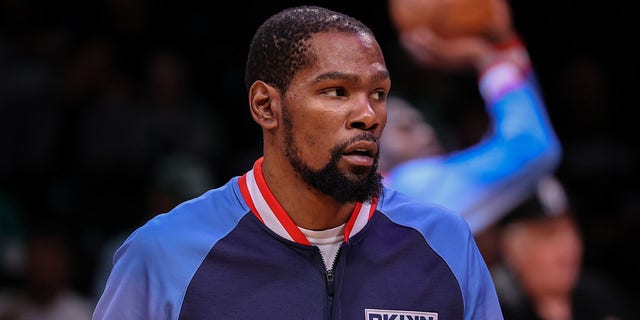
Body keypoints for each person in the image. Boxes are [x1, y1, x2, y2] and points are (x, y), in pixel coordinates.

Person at [92, 5, 502, 319]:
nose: (370, 115)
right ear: (265, 106)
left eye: (379, 93)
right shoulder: (164, 253)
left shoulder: (447, 242)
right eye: (337, 91)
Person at [380, 0, 562, 238]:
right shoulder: (407, 192)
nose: (426, 134)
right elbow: (531, 147)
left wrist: (505, 49)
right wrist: (486, 58)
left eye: (424, 125)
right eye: (405, 129)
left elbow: (522, 136)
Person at [492, 174, 636, 320]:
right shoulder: (495, 310)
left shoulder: (602, 300)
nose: (568, 250)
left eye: (571, 232)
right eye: (550, 236)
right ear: (513, 249)